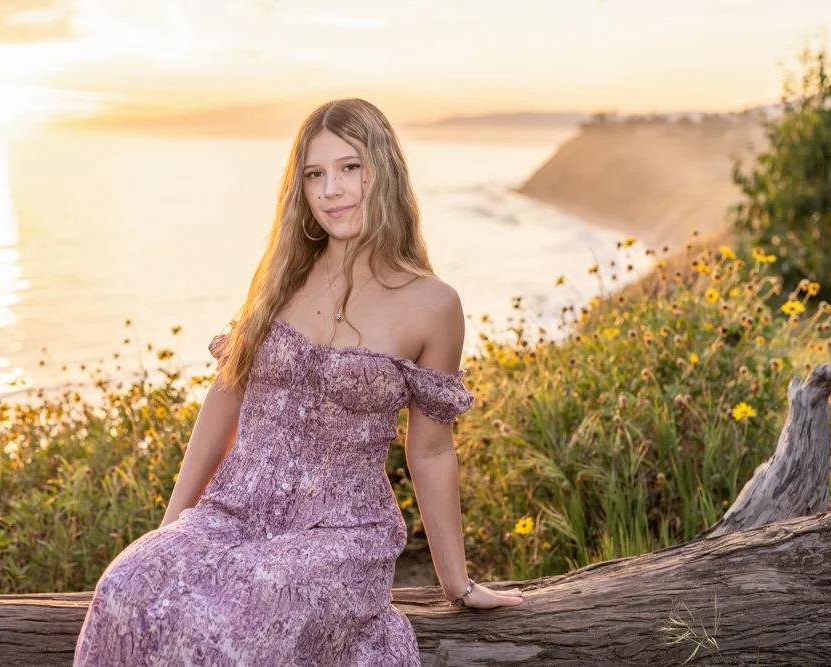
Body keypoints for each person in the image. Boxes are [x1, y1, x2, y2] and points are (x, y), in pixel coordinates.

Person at [73, 98, 523, 666]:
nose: (331, 190)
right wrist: (169, 533)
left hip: (339, 535)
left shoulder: (433, 305)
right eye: (314, 175)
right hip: (233, 511)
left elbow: (431, 450)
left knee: (237, 625)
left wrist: (456, 582)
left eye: (350, 167)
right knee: (124, 585)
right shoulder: (282, 276)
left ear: (384, 170)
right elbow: (227, 395)